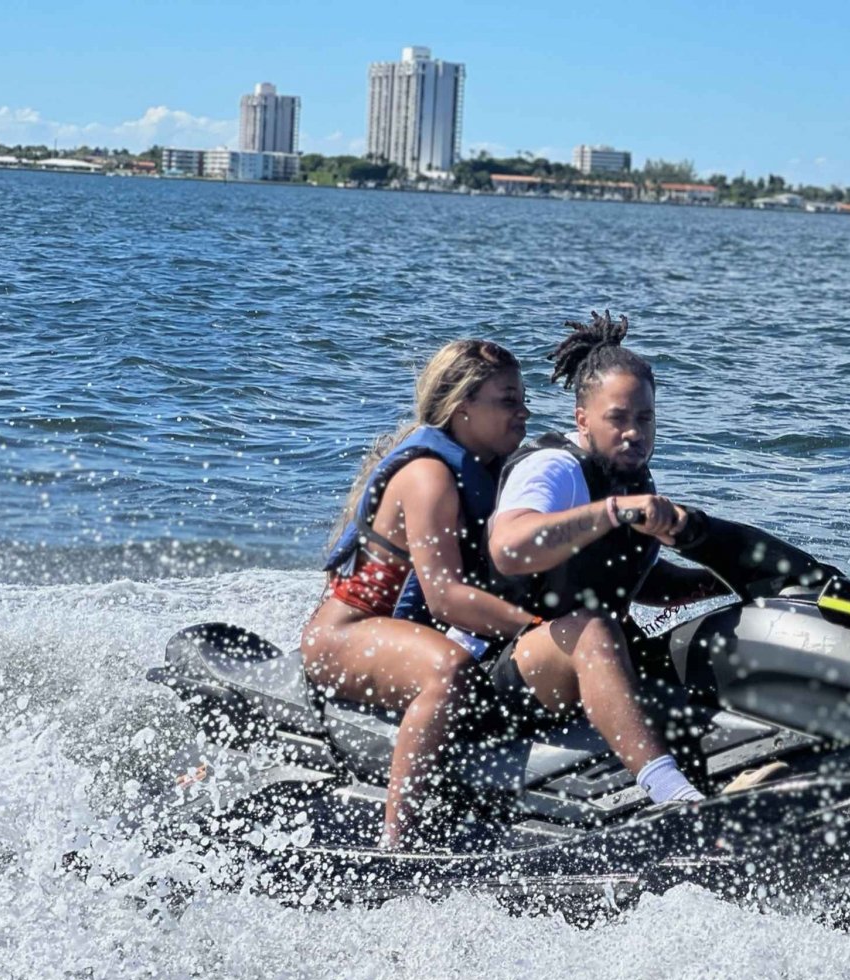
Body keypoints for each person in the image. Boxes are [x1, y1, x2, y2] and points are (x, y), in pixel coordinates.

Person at [302, 339, 543, 848]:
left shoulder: (497, 469)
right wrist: (531, 627)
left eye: (524, 399)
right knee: (448, 672)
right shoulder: (428, 475)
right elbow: (446, 598)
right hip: (348, 634)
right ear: (463, 409)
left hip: (407, 633)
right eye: (507, 401)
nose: (524, 412)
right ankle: (399, 839)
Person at [488, 311, 728, 806]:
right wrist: (614, 511)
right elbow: (509, 547)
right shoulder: (553, 468)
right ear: (583, 419)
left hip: (574, 660)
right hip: (506, 668)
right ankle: (668, 792)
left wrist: (727, 583)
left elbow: (628, 575)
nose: (634, 433)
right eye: (617, 418)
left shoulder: (631, 476)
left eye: (645, 419)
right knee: (596, 629)